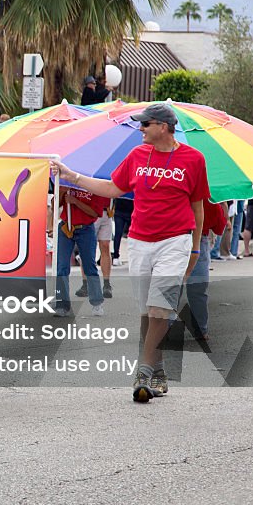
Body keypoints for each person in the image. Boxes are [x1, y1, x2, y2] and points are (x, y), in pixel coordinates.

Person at [51, 102, 208, 403]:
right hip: (139, 240)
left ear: (163, 126)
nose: (140, 129)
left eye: (145, 124)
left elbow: (198, 206)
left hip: (175, 240)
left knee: (160, 307)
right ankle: (159, 371)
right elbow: (111, 187)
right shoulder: (137, 155)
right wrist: (72, 176)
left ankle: (144, 371)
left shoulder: (194, 159)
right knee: (148, 312)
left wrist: (196, 248)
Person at [53, 186, 108, 317]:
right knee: (61, 267)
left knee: (89, 266)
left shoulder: (95, 185)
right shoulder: (67, 183)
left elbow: (95, 213)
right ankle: (62, 305)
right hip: (66, 227)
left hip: (86, 229)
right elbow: (55, 205)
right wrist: (60, 192)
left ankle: (96, 302)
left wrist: (76, 201)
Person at [186, 200, 228, 341]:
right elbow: (219, 227)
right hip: (198, 240)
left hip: (170, 239)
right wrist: (224, 207)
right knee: (198, 289)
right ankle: (201, 330)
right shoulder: (209, 200)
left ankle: (162, 328)